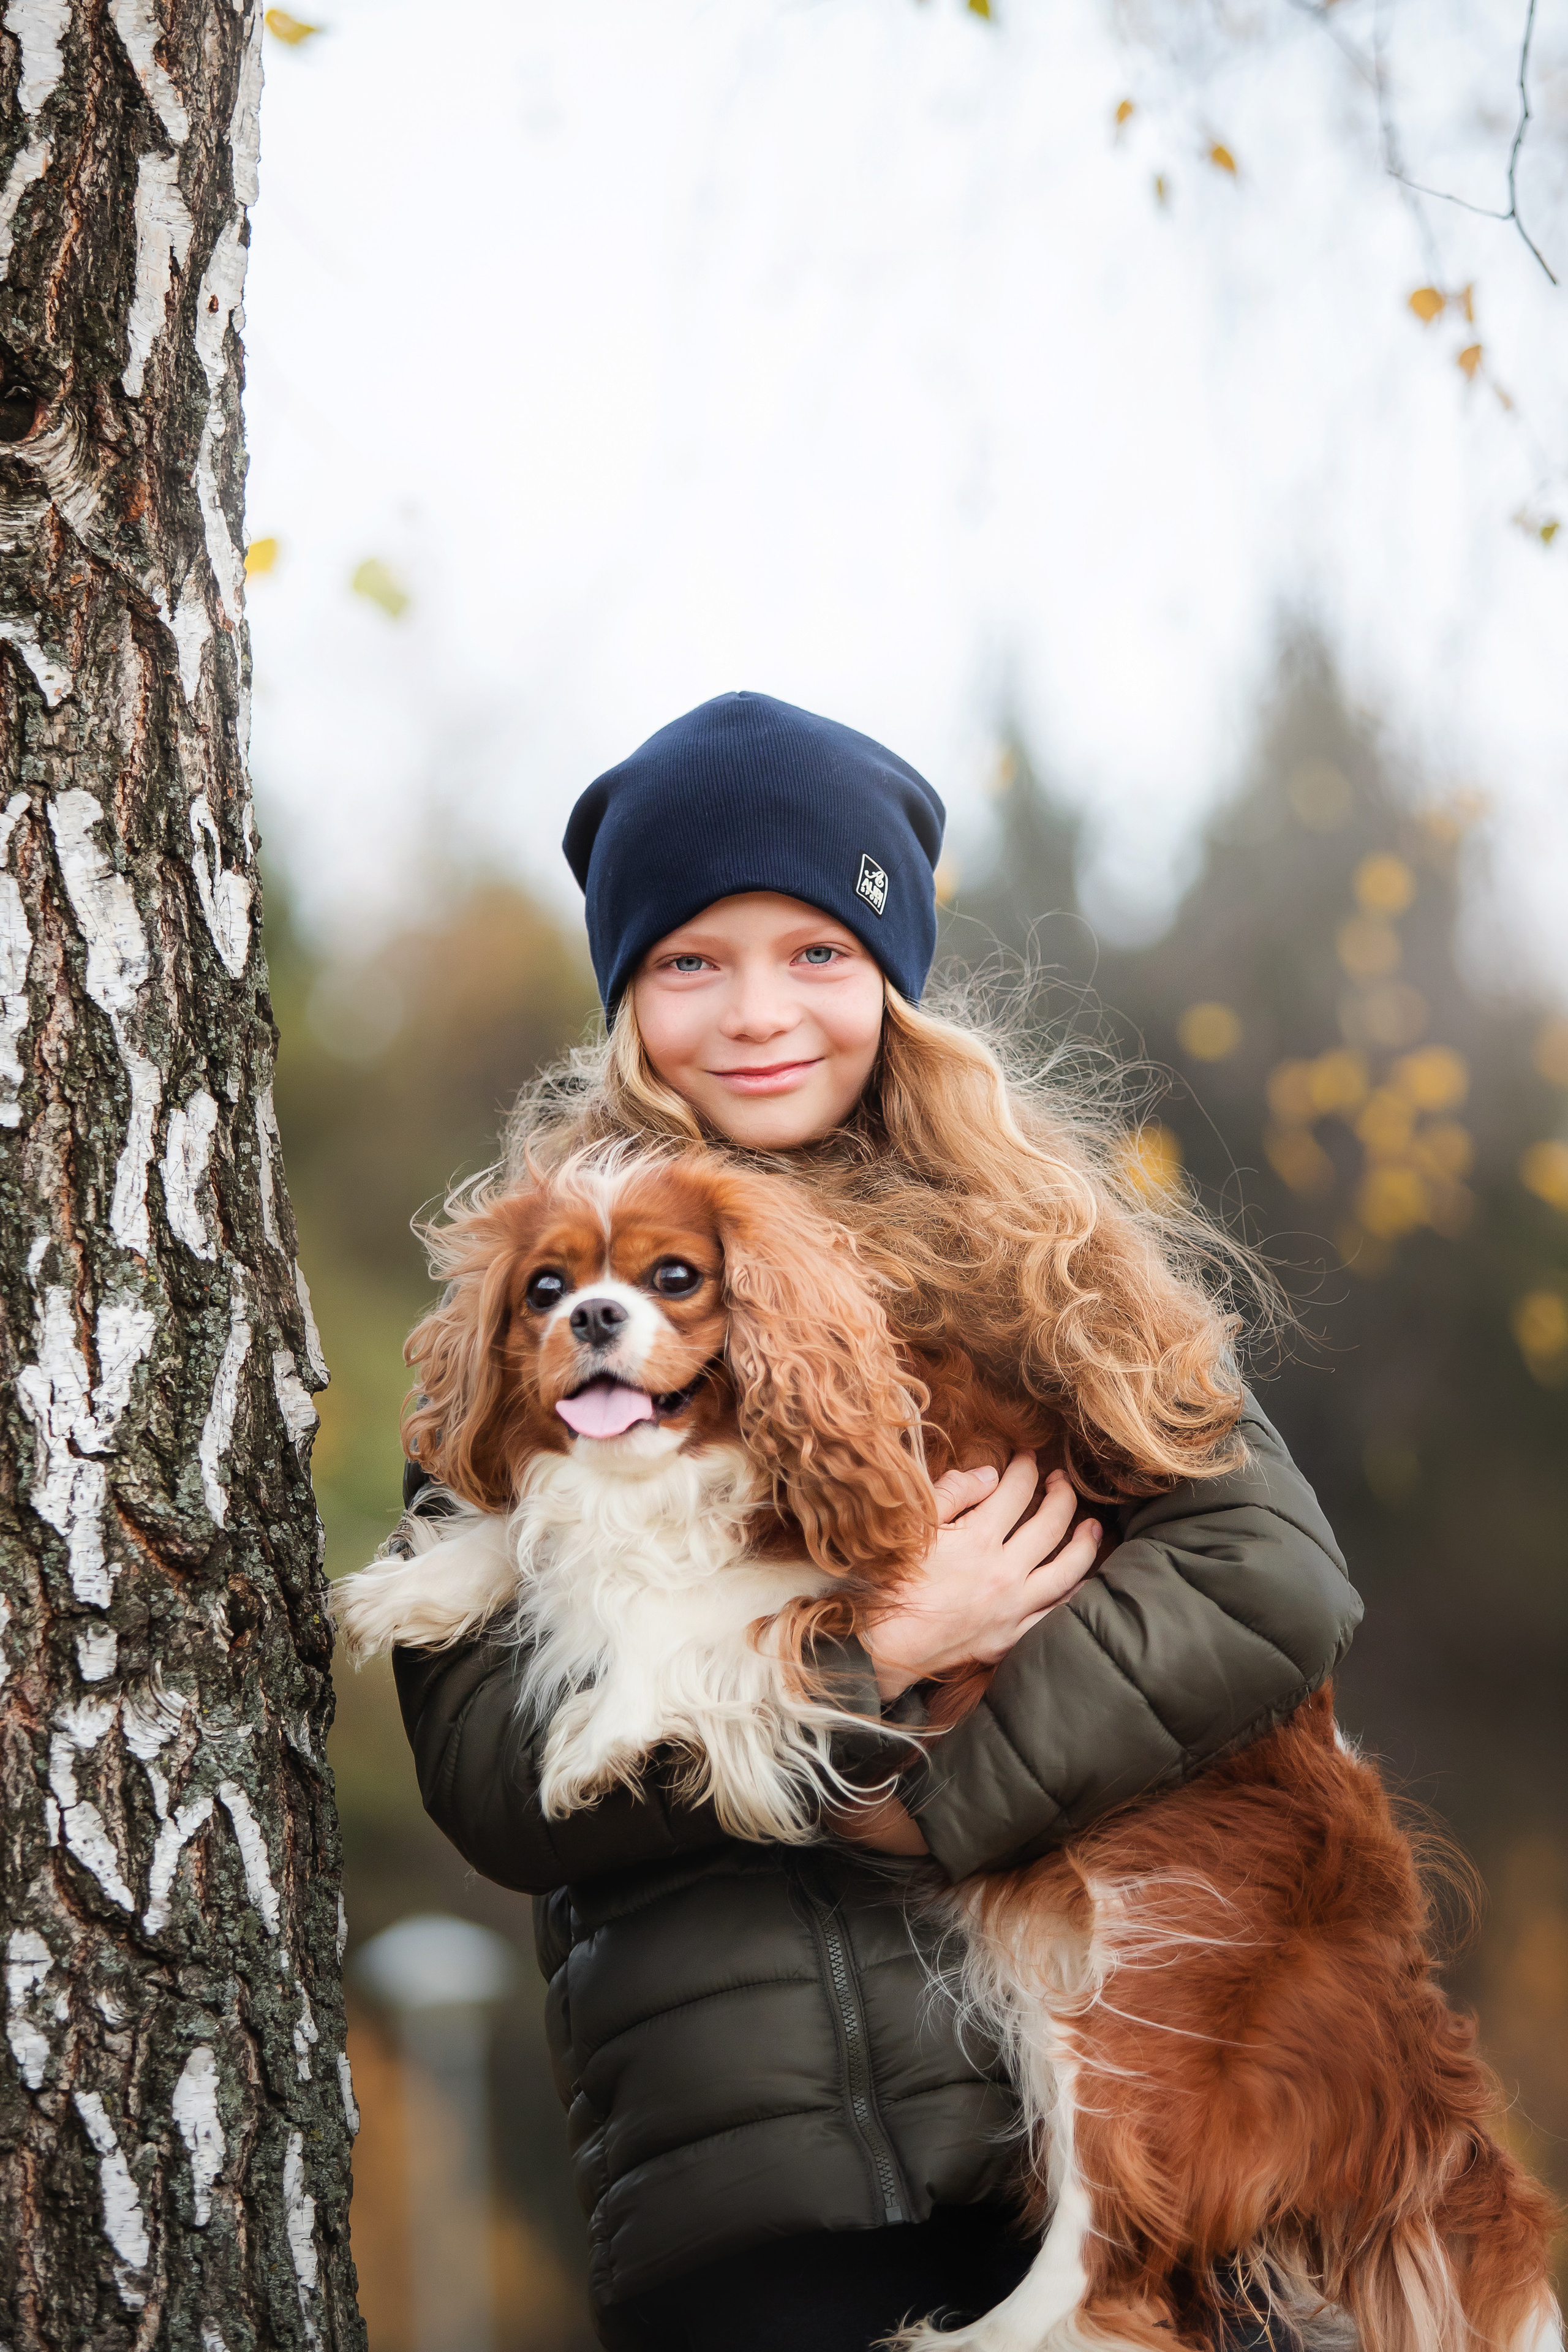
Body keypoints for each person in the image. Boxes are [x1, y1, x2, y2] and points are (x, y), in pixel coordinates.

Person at [391, 692, 1360, 2352]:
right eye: (695, 960)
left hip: (1125, 2138)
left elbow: (1271, 1576)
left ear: (890, 978)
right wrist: (876, 1659)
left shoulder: (1039, 1246)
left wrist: (948, 1800)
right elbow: (500, 1779)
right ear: (629, 994)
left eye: (818, 953)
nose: (761, 1013)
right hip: (762, 2191)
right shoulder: (554, 1287)